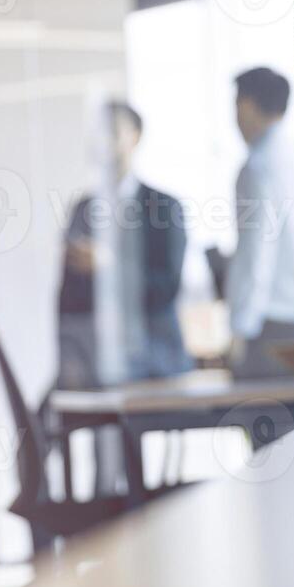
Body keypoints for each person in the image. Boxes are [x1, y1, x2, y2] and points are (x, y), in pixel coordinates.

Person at [57, 101, 192, 388]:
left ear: (135, 136)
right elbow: (67, 299)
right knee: (43, 413)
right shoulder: (83, 209)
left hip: (155, 357)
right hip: (94, 357)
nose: (103, 140)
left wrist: (108, 266)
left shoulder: (164, 207)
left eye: (112, 131)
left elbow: (166, 289)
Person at [227, 68, 294, 379]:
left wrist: (239, 329)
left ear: (245, 106)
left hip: (274, 329)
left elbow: (255, 254)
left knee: (267, 423)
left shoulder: (257, 168)